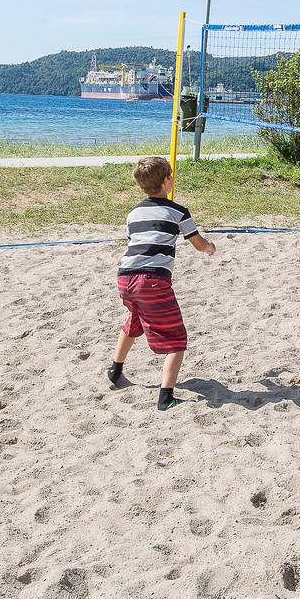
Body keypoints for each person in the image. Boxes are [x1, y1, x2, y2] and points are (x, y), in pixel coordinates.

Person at [111, 155, 216, 409]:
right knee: (176, 338)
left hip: (125, 277)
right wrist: (211, 248)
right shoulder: (178, 212)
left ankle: (115, 371)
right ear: (168, 180)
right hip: (153, 281)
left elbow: (134, 243)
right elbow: (198, 244)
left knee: (134, 321)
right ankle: (165, 397)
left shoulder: (133, 213)